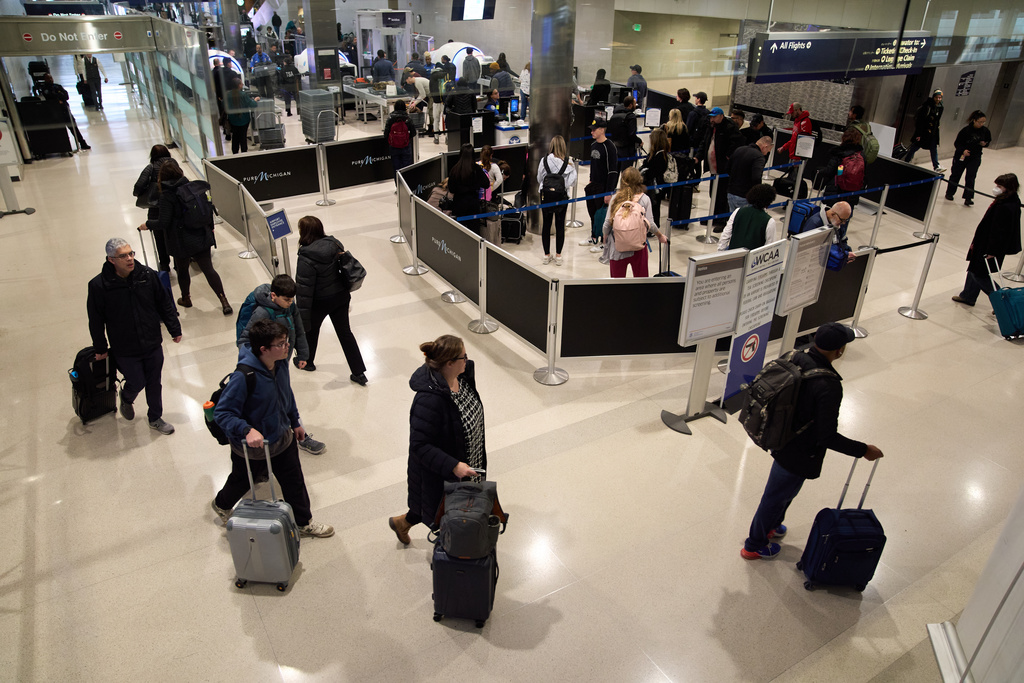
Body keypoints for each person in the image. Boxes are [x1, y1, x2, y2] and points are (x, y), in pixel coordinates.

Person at [741, 323, 884, 559]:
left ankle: (773, 526)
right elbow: (826, 436)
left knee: (784, 494)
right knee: (774, 498)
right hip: (799, 451)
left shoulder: (795, 357)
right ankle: (753, 545)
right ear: (839, 351)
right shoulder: (828, 385)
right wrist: (862, 450)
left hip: (780, 437)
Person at [211, 319, 335, 538]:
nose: (287, 347)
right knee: (242, 481)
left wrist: (295, 421)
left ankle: (303, 523)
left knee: (294, 482)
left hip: (282, 438)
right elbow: (223, 413)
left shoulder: (279, 365)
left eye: (286, 341)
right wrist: (247, 430)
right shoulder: (244, 376)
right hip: (253, 448)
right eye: (281, 343)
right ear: (264, 349)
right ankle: (221, 504)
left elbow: (286, 395)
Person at [388, 334, 484, 546]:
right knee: (446, 518)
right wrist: (454, 466)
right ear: (449, 363)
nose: (467, 360)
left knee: (433, 507)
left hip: (466, 461)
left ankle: (403, 523)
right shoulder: (428, 400)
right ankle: (450, 561)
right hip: (442, 471)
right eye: (463, 357)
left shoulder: (462, 378)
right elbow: (420, 446)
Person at [87, 237, 181, 435]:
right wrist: (100, 348)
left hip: (152, 341)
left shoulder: (147, 275)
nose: (129, 259)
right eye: (123, 256)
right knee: (137, 381)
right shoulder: (99, 286)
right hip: (125, 346)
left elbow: (164, 302)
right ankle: (127, 397)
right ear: (111, 259)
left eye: (131, 254)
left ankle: (155, 417)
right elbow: (96, 319)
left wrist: (175, 329)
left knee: (154, 381)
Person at [144, 159, 232, 314]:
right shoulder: (193, 188)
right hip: (201, 234)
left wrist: (148, 224)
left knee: (182, 270)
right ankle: (224, 301)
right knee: (209, 269)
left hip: (180, 240)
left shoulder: (166, 195)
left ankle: (186, 298)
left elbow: (164, 222)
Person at [294, 216, 368, 384]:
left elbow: (304, 290)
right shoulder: (335, 244)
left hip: (319, 301)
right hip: (341, 296)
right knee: (345, 333)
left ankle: (307, 362)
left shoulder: (305, 257)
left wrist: (301, 314)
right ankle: (359, 373)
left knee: (310, 331)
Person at [952, 173, 1022, 308]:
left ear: (1008, 188)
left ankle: (1004, 303)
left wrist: (992, 250)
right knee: (973, 269)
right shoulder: (1009, 200)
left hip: (990, 246)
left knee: (980, 275)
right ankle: (968, 295)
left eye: (999, 186)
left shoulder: (1005, 206)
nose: (996, 188)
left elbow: (999, 232)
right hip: (984, 242)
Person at [601, 167, 668, 278]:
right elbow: (650, 224)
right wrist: (660, 236)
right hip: (638, 247)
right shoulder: (645, 199)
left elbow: (607, 224)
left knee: (617, 285)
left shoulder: (615, 198)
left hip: (617, 247)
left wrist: (605, 236)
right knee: (641, 283)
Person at [132, 144, 174, 272]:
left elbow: (138, 187)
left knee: (159, 237)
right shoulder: (174, 165)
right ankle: (179, 261)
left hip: (156, 209)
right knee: (173, 234)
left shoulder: (150, 167)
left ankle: (164, 264)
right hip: (173, 206)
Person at [537, 135, 577, 266]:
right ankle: (559, 256)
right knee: (560, 226)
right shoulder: (569, 163)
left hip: (546, 197)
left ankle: (546, 255)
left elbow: (539, 178)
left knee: (546, 225)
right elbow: (573, 181)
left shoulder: (544, 161)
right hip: (561, 197)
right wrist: (562, 186)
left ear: (552, 146)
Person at [579, 121, 618, 250]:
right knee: (592, 213)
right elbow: (593, 165)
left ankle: (603, 242)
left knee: (602, 215)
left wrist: (609, 191)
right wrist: (590, 179)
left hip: (603, 186)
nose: (592, 132)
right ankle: (594, 236)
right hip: (593, 184)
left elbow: (613, 171)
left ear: (602, 130)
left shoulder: (610, 147)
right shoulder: (593, 145)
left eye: (594, 130)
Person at [945, 111, 991, 206]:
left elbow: (988, 141)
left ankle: (968, 197)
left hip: (975, 157)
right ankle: (949, 193)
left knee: (971, 177)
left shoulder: (985, 131)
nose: (981, 124)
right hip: (962, 156)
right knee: (956, 174)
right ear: (974, 120)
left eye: (983, 122)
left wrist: (984, 144)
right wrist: (963, 150)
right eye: (980, 122)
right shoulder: (965, 130)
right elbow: (957, 143)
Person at [446, 143, 491, 234]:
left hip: (458, 205)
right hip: (473, 205)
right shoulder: (476, 169)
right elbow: (486, 184)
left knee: (459, 233)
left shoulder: (455, 169)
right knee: (474, 233)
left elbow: (451, 189)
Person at [718, 184, 778, 251]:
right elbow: (770, 247)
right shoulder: (769, 221)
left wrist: (720, 252)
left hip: (733, 254)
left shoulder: (738, 211)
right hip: (753, 258)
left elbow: (726, 234)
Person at [38, 74, 90, 150]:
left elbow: (66, 96)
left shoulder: (57, 86)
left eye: (51, 77)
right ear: (45, 79)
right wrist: (58, 95)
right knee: (60, 131)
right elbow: (51, 97)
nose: (50, 79)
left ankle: (82, 143)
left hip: (65, 110)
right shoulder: (45, 89)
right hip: (55, 113)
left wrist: (59, 96)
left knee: (74, 128)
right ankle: (63, 147)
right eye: (48, 78)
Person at [799, 201, 857, 268]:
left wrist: (847, 253)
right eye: (842, 220)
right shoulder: (814, 224)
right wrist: (843, 255)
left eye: (845, 220)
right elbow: (814, 251)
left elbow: (843, 241)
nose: (843, 223)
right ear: (832, 214)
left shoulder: (838, 222)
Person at [819, 128, 866, 208]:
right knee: (846, 214)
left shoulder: (839, 153)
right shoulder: (861, 155)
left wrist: (819, 171)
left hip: (835, 190)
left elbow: (830, 170)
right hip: (852, 193)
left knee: (831, 215)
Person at [662, 109, 693, 228]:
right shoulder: (683, 127)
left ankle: (667, 193)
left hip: (670, 157)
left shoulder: (667, 127)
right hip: (681, 158)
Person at [726, 136, 772, 212]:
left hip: (731, 193)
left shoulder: (739, 149)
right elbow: (756, 177)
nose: (766, 153)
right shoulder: (759, 157)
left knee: (734, 220)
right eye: (768, 151)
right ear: (765, 146)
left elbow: (727, 169)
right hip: (745, 196)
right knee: (744, 222)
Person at [905, 89, 946, 172]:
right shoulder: (927, 106)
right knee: (915, 147)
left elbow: (937, 121)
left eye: (940, 98)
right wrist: (919, 134)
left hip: (932, 133)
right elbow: (921, 121)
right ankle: (906, 160)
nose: (938, 99)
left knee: (933, 149)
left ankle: (936, 166)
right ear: (934, 97)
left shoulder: (940, 107)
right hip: (924, 132)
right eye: (937, 97)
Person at [640, 128, 671, 227]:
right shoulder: (655, 153)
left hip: (655, 186)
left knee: (654, 207)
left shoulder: (660, 156)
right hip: (651, 184)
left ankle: (654, 226)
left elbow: (654, 171)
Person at [384, 100, 416, 187]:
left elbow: (386, 134)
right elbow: (413, 133)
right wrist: (406, 139)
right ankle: (406, 188)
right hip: (406, 147)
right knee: (406, 168)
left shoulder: (390, 118)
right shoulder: (407, 119)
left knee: (396, 168)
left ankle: (398, 187)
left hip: (394, 147)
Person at [225, 77, 260, 154]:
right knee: (243, 136)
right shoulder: (243, 95)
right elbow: (252, 105)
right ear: (238, 85)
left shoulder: (227, 95)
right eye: (241, 83)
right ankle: (244, 152)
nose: (243, 84)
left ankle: (235, 152)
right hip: (244, 120)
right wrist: (255, 100)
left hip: (232, 119)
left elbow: (223, 105)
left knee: (235, 136)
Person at [609, 95, 640, 172]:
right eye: (634, 103)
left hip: (615, 147)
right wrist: (639, 141)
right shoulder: (631, 117)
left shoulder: (614, 115)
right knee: (626, 173)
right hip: (627, 150)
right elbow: (631, 134)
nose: (636, 105)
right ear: (630, 105)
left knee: (614, 173)